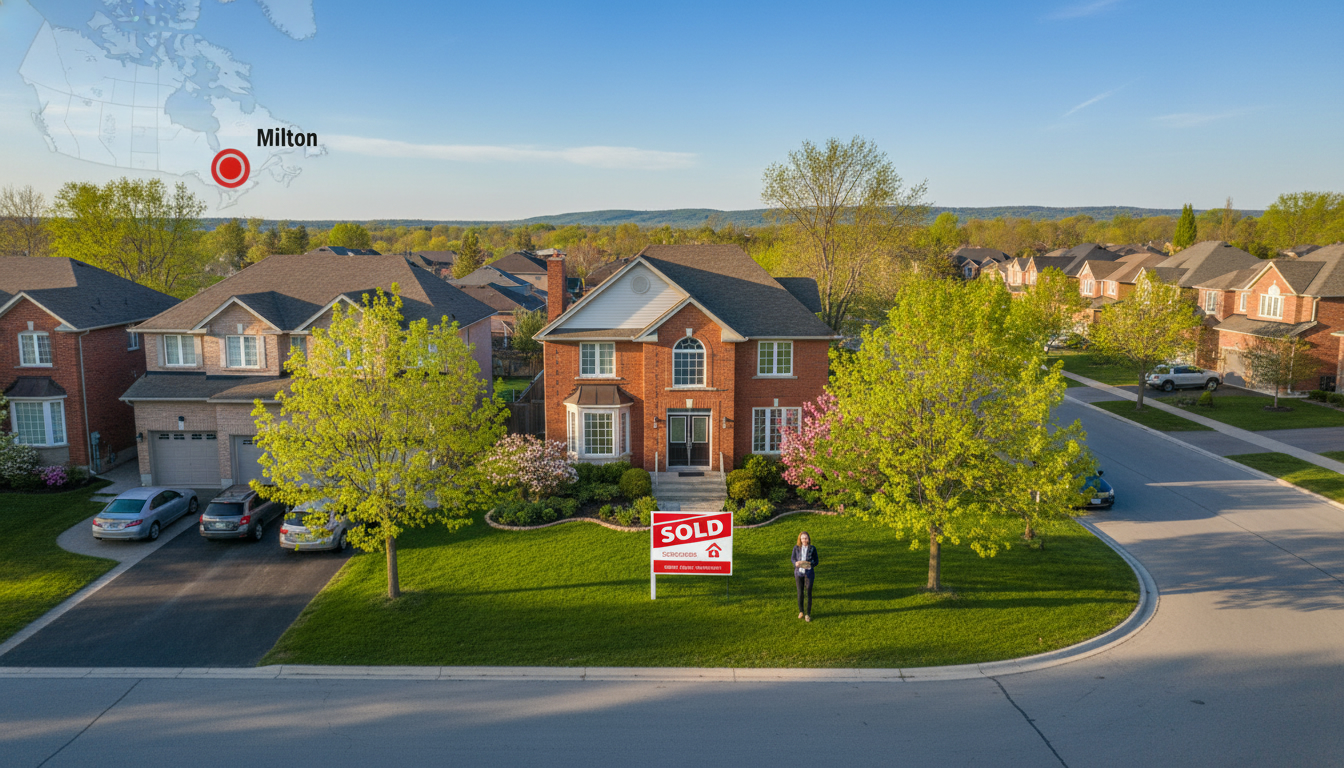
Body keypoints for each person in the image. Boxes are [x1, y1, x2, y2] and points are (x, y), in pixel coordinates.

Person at [792, 531, 819, 622]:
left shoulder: (812, 548)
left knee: (808, 593)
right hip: (798, 573)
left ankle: (808, 614)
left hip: (809, 573)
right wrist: (795, 563)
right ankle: (801, 611)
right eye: (802, 538)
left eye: (806, 538)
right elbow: (793, 558)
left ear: (808, 539)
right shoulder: (796, 548)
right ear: (800, 539)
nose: (804, 540)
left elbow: (816, 561)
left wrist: (810, 564)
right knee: (800, 593)